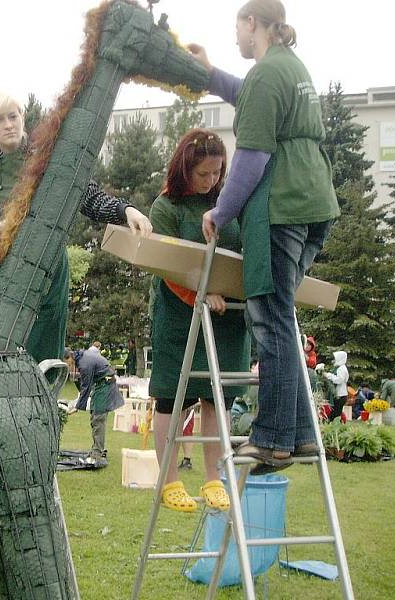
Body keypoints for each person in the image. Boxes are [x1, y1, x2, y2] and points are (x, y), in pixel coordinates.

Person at [190, 0, 339, 473]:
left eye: (237, 27)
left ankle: (271, 438)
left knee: (270, 320)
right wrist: (210, 74)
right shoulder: (288, 67)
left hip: (283, 207)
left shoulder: (267, 74)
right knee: (284, 317)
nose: (235, 37)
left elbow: (252, 154)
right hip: (315, 202)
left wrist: (222, 209)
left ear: (252, 23)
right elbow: (249, 94)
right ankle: (299, 434)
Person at [0, 92, 152, 364]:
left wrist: (125, 210)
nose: (8, 125)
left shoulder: (50, 157)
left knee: (46, 360)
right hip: (3, 274)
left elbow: (88, 196)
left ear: (22, 117)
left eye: (13, 116)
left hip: (51, 271)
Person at [148, 128, 251, 512]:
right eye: (203, 174)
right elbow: (167, 266)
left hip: (228, 317)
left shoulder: (229, 202)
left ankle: (213, 478)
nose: (211, 181)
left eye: (217, 173)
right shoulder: (166, 207)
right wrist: (199, 295)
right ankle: (169, 480)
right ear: (185, 169)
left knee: (217, 397)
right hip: (181, 315)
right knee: (173, 396)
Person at [66, 347, 124, 467]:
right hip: (101, 385)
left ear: (69, 358)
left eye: (65, 362)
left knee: (98, 419)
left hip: (105, 386)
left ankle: (98, 452)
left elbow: (86, 387)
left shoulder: (84, 363)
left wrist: (77, 407)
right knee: (95, 417)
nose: (66, 365)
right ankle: (96, 449)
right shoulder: (82, 358)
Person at [320, 350, 349, 421]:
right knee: (336, 412)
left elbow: (339, 380)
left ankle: (331, 424)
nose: (334, 360)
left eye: (336, 358)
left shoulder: (341, 369)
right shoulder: (340, 368)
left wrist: (328, 375)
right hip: (340, 394)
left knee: (335, 413)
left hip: (340, 395)